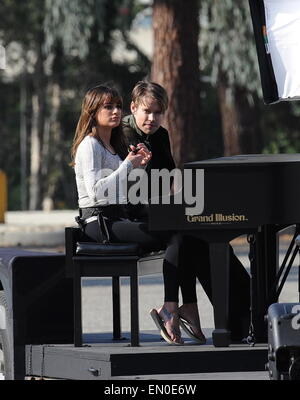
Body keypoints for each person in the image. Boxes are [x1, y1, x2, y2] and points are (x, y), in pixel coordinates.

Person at [71, 83, 205, 346]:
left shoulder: (112, 144)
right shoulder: (90, 146)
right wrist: (126, 166)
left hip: (117, 217)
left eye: (117, 106)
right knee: (174, 235)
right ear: (92, 111)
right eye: (108, 107)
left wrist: (137, 168)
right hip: (98, 223)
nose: (115, 111)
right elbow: (96, 193)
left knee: (183, 235)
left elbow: (122, 189)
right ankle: (171, 308)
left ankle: (184, 306)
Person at [123, 80, 251, 342]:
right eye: (147, 111)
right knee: (181, 231)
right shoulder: (123, 133)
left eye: (158, 112)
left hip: (155, 204)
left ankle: (204, 310)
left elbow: (167, 175)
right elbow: (126, 182)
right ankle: (173, 307)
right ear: (134, 107)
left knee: (198, 231)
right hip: (127, 209)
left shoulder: (161, 135)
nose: (152, 118)